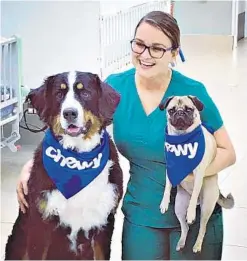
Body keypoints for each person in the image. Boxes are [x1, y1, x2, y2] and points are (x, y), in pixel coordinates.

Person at [16, 11, 236, 260]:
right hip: (141, 214)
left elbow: (228, 153)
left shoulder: (192, 92)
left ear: (174, 53)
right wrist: (32, 166)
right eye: (139, 44)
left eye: (157, 48)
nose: (145, 55)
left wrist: (187, 172)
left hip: (194, 210)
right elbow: (76, 133)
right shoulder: (115, 87)